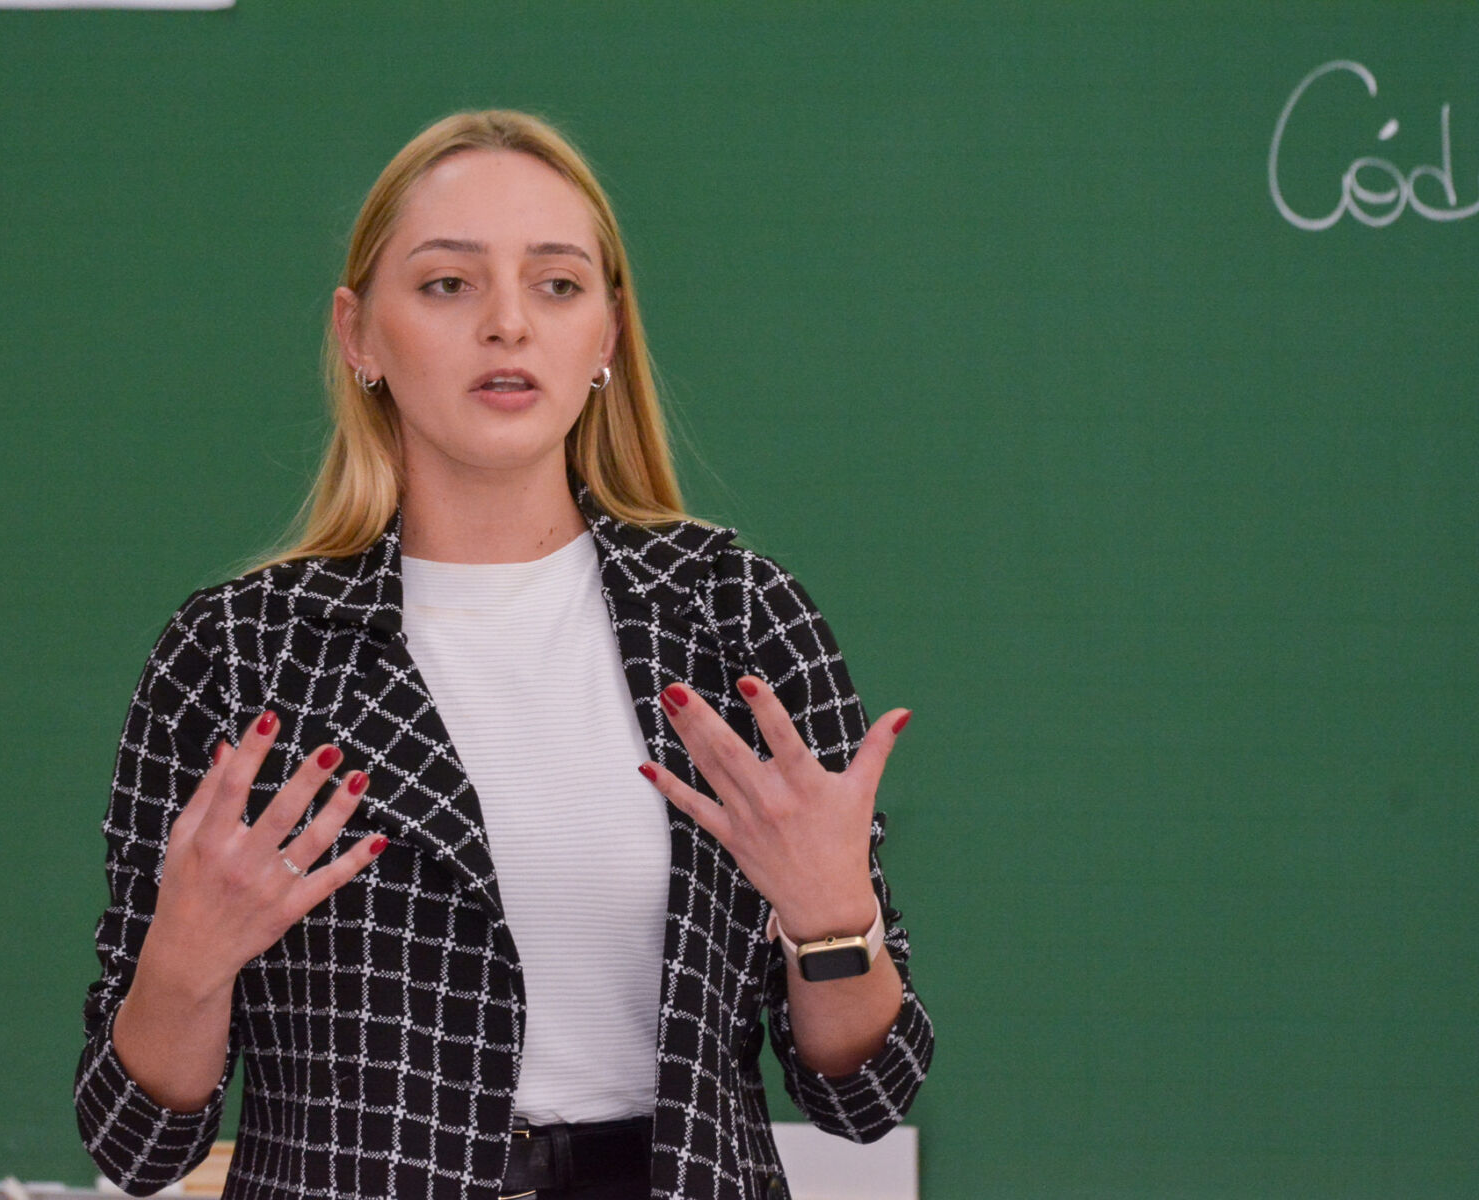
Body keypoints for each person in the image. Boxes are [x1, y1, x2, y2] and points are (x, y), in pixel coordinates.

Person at [74, 108, 933, 1200]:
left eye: (557, 285)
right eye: (448, 284)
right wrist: (185, 963)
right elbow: (135, 1144)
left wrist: (831, 922)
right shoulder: (239, 657)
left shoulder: (734, 618)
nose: (509, 325)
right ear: (359, 335)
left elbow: (867, 1096)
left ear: (607, 337)